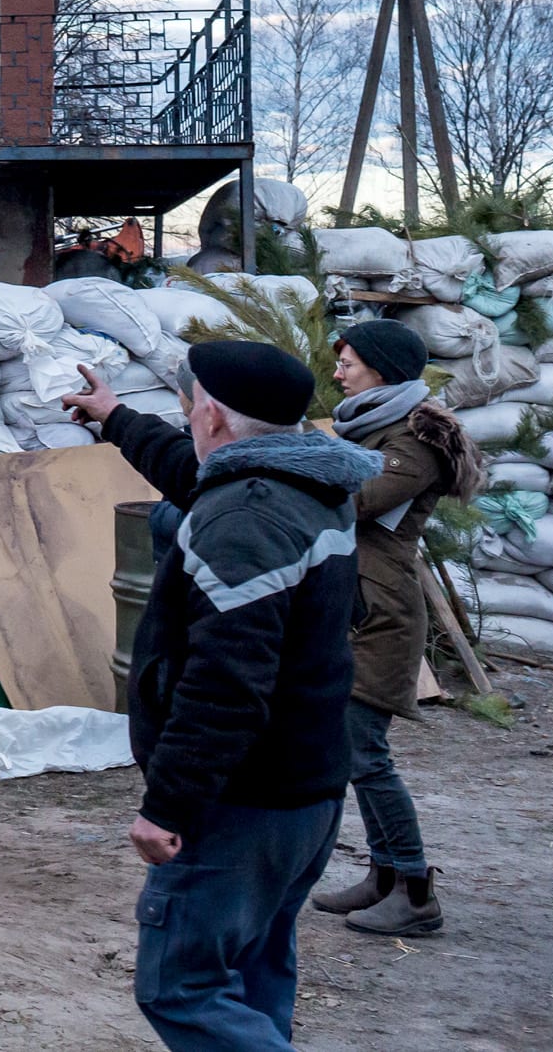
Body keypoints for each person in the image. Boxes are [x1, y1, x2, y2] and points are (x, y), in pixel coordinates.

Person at [62, 341, 377, 1052]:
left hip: (243, 802)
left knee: (180, 987)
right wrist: (115, 417)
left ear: (210, 415)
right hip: (305, 791)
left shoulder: (242, 522)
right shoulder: (305, 482)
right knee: (253, 968)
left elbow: (225, 687)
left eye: (189, 405)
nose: (187, 417)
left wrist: (167, 805)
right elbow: (195, 471)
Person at [303, 320, 478, 937]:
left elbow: (356, 500)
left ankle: (415, 891)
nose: (337, 372)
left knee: (365, 752)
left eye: (348, 361)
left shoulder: (417, 440)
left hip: (380, 613)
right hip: (351, 604)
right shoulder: (369, 426)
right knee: (353, 752)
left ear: (380, 367)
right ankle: (383, 876)